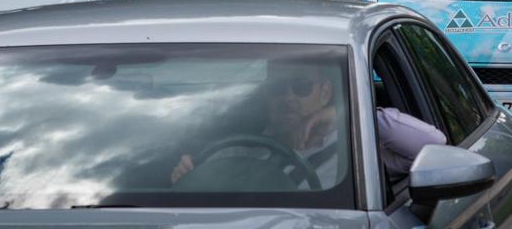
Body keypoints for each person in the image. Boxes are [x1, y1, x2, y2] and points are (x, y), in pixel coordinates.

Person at [170, 61, 445, 188]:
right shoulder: (235, 152)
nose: (288, 97)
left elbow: (435, 146)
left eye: (301, 87)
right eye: (278, 88)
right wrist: (187, 176)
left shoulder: (360, 146)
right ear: (266, 95)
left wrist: (346, 114)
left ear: (325, 93)